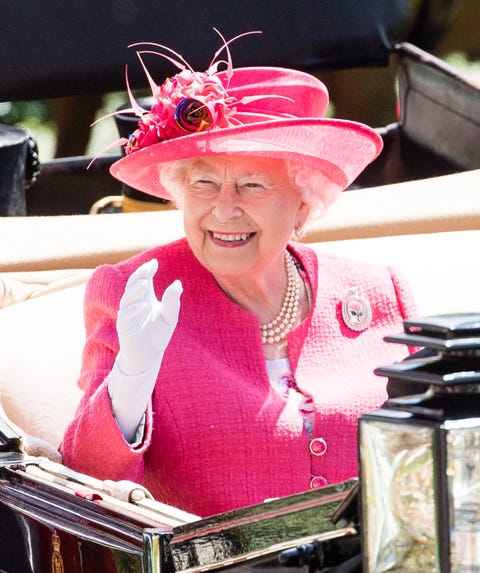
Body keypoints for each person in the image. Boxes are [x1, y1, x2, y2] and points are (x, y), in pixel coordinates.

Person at [60, 32, 417, 518]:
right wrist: (129, 381)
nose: (224, 210)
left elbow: (432, 457)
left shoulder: (381, 293)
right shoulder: (133, 294)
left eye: (253, 185)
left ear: (303, 201)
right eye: (204, 182)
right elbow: (86, 483)